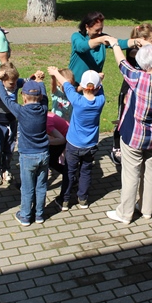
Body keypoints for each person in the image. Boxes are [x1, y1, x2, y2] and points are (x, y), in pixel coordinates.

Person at [105, 41, 152, 224]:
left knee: (131, 175)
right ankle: (146, 210)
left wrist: (115, 45)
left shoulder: (139, 78)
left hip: (135, 136)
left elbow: (122, 63)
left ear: (141, 63)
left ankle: (125, 214)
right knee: (151, 173)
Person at [47, 67, 105, 211]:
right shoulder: (100, 100)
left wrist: (55, 73)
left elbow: (66, 85)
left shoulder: (77, 100)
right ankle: (83, 199)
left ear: (82, 86)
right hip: (90, 145)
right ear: (97, 88)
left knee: (69, 172)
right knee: (85, 171)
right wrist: (99, 79)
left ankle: (64, 201)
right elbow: (99, 87)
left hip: (73, 145)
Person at [0, 76, 49, 226]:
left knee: (27, 188)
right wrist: (40, 81)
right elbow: (45, 96)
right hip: (44, 154)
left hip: (27, 156)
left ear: (23, 96)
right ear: (40, 97)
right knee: (41, 186)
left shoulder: (21, 111)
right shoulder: (44, 108)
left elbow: (6, 99)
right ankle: (39, 215)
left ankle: (25, 216)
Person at [111, 23, 152, 165]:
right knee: (123, 117)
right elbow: (138, 55)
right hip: (129, 88)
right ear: (143, 40)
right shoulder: (134, 50)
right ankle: (117, 146)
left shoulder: (148, 50)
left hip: (143, 87)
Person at [69, 11, 140, 83]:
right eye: (97, 30)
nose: (99, 32)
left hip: (94, 85)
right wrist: (100, 40)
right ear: (87, 27)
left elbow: (119, 43)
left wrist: (136, 41)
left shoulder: (102, 37)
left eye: (101, 29)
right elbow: (81, 47)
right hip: (75, 84)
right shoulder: (77, 36)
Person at [0, 62, 25, 186]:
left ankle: (6, 168)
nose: (14, 86)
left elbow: (27, 81)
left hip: (11, 121)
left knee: (9, 147)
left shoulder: (15, 83)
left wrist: (35, 76)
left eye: (15, 83)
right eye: (11, 84)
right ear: (2, 80)